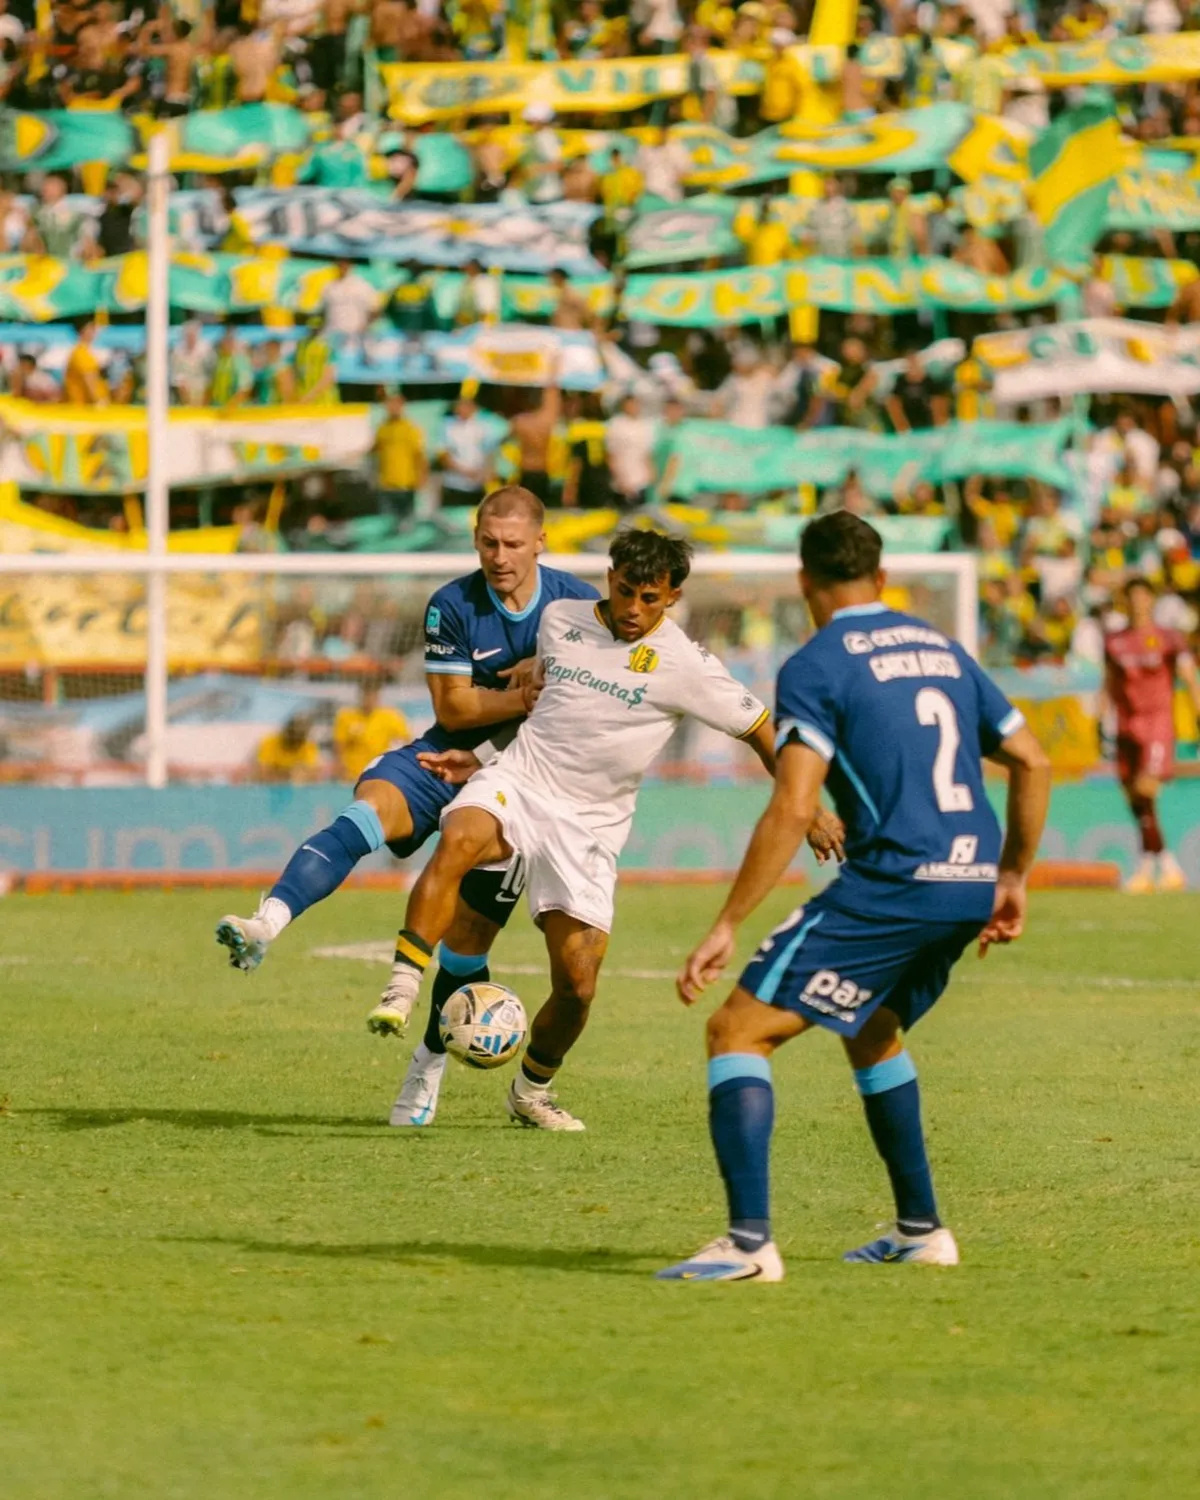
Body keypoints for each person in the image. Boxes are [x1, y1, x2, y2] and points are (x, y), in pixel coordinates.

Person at [658, 511, 1051, 1282]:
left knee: (736, 1031)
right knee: (871, 1027)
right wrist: (1012, 877)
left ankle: (746, 1244)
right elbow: (1032, 762)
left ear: (806, 582)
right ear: (882, 576)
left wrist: (728, 922)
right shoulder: (944, 650)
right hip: (967, 884)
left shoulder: (818, 663)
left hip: (894, 883)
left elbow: (796, 805)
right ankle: (920, 1229)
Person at [373, 527, 788, 1132]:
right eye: (624, 592)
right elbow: (548, 701)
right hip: (520, 783)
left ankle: (530, 1091)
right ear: (610, 576)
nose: (632, 609)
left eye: (650, 599)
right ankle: (402, 988)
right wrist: (486, 758)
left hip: (590, 827)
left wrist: (811, 806)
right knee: (458, 840)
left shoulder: (687, 665)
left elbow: (761, 731)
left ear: (672, 597)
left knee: (578, 986)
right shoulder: (561, 618)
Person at [215, 487, 600, 1126]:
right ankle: (267, 923)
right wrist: (537, 690)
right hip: (441, 757)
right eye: (487, 542)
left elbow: (595, 698)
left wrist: (546, 688)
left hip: (521, 784)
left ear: (540, 541)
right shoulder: (451, 603)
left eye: (512, 544)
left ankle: (426, 1066)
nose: (499, 556)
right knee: (367, 812)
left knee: (467, 943)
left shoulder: (580, 605)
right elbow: (454, 709)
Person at [1101, 578, 1200, 893]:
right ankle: (1167, 865)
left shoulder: (1169, 639)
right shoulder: (1114, 641)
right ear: (1125, 602)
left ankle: (1147, 867)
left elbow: (1189, 678)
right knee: (1134, 798)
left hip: (1158, 725)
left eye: (1144, 597)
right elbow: (1110, 683)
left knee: (1146, 790)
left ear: (1152, 601)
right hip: (1126, 725)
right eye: (1132, 597)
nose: (1138, 603)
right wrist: (1101, 722)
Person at [333, 679, 408, 783]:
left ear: (377, 696)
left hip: (379, 776)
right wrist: (341, 771)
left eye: (372, 695)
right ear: (360, 695)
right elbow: (339, 748)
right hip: (352, 777)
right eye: (366, 695)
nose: (369, 699)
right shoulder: (346, 716)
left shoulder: (391, 716)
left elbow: (405, 743)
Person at [373, 392, 426, 519]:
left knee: (407, 521)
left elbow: (419, 455)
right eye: (390, 404)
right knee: (388, 520)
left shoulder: (411, 428)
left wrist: (422, 477)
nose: (393, 407)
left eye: (396, 404)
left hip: (406, 482)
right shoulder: (382, 428)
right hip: (386, 483)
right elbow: (376, 450)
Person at [256, 714, 321, 783]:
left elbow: (313, 775)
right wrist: (290, 774)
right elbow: (263, 775)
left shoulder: (308, 746)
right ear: (286, 730)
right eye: (292, 733)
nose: (294, 737)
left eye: (299, 735)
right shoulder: (269, 742)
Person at [63, 322, 109, 406]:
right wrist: (98, 401)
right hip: (84, 407)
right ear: (83, 330)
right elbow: (89, 379)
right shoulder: (81, 353)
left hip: (84, 406)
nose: (95, 332)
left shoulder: (81, 351)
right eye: (92, 328)